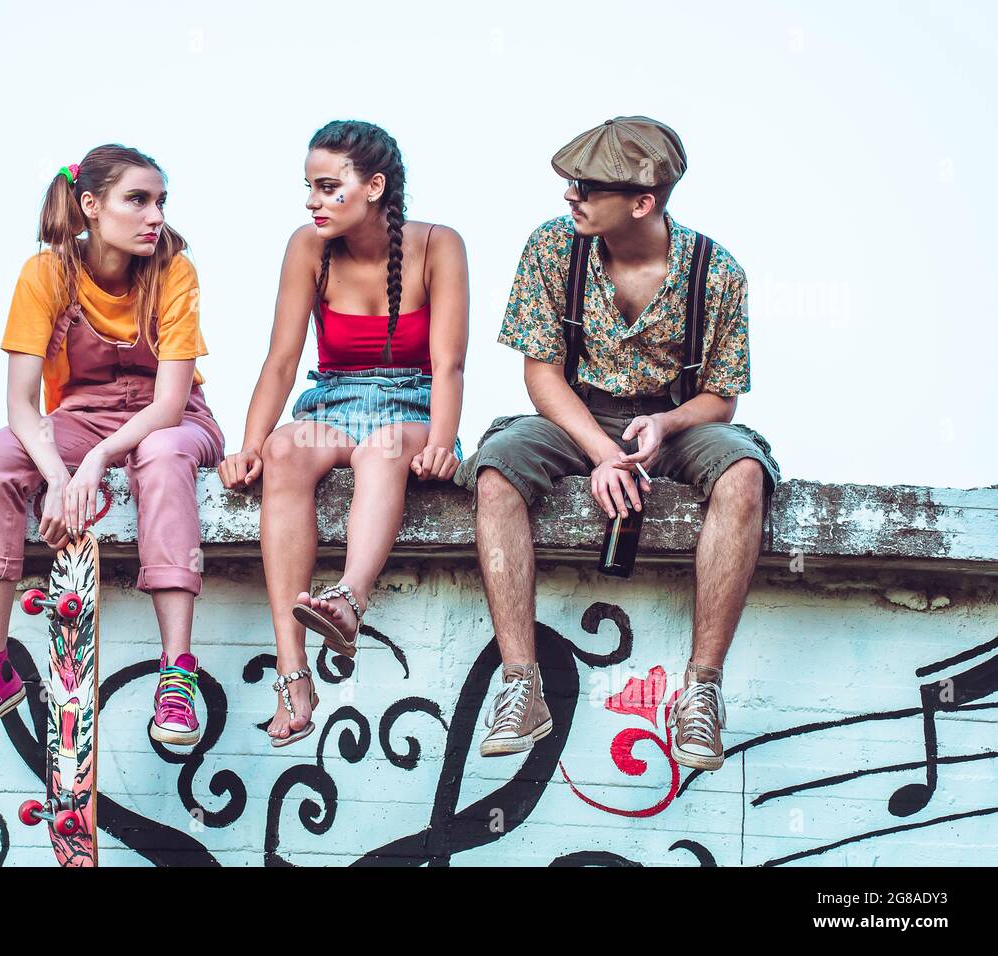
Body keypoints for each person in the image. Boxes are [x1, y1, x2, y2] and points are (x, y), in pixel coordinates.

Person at [453, 116, 782, 768]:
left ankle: (701, 694)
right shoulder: (553, 248)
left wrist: (665, 426)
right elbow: (541, 375)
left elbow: (721, 397)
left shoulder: (717, 273)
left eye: (587, 187)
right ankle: (522, 685)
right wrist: (603, 454)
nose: (570, 198)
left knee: (744, 470)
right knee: (496, 468)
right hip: (574, 415)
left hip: (678, 422)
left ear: (643, 202)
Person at [0, 144, 224, 753]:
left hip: (169, 419)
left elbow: (169, 406)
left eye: (160, 202)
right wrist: (58, 478)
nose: (155, 217)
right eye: (138, 200)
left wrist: (93, 462)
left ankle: (177, 673)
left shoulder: (175, 270)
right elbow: (21, 405)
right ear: (91, 206)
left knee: (163, 456)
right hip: (79, 416)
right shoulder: (46, 274)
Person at [219, 120, 469, 747]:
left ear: (375, 186)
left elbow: (448, 364)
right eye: (309, 187)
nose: (312, 201)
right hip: (333, 399)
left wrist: (441, 438)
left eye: (329, 187)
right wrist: (250, 444)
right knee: (283, 451)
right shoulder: (308, 246)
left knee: (383, 453)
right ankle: (293, 669)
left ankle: (349, 602)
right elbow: (280, 361)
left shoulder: (440, 245)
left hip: (412, 402)